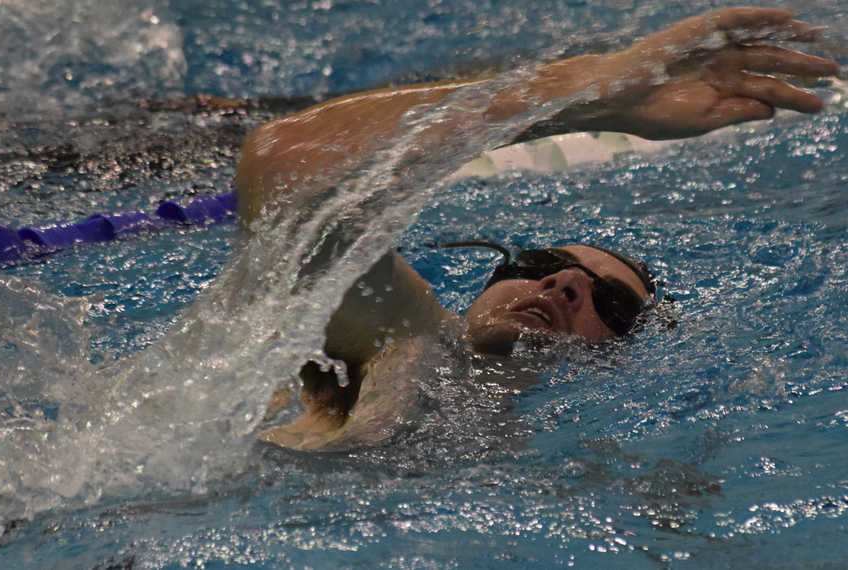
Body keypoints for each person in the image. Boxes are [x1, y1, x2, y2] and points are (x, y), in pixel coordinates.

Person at [232, 7, 839, 451]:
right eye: (536, 265)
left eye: (610, 299)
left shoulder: (588, 459)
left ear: (629, 359)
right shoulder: (405, 344)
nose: (561, 286)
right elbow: (288, 160)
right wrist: (589, 90)